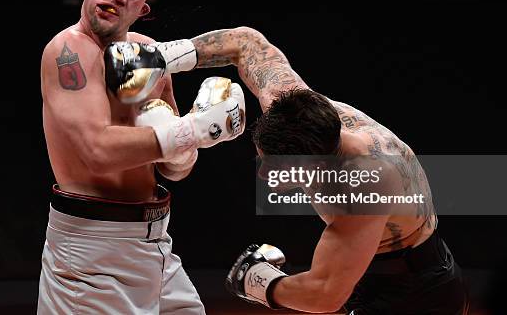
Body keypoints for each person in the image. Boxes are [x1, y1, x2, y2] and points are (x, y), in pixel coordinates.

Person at [110, 26, 469, 314]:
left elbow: (325, 295)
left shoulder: (364, 185)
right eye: (262, 157)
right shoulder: (292, 104)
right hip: (372, 272)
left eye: (274, 167)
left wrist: (256, 279)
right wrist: (159, 57)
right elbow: (245, 43)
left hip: (417, 292)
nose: (263, 173)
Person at [38, 0, 245, 314]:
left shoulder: (151, 53)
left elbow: (175, 169)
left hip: (155, 240)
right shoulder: (68, 50)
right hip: (92, 251)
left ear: (142, 8)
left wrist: (197, 135)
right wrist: (192, 131)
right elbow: (97, 151)